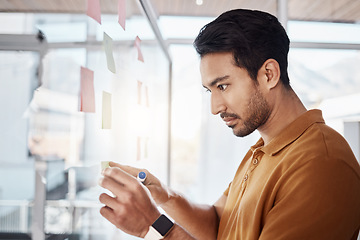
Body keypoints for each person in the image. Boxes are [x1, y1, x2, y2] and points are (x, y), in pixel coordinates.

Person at [98, 9, 360, 240]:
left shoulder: (321, 164)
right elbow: (219, 223)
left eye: (223, 86)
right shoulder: (263, 150)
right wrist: (163, 195)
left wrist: (152, 227)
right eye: (209, 90)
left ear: (269, 74)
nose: (215, 107)